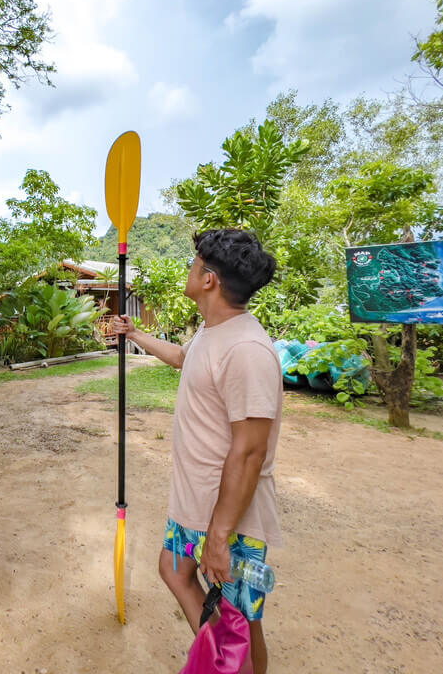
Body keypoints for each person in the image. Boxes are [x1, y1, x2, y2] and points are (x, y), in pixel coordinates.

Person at [112, 228, 282, 674]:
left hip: (228, 515)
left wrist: (221, 537)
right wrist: (135, 335)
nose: (189, 270)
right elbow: (183, 357)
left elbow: (249, 453)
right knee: (174, 570)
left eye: (194, 263)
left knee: (239, 623)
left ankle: (228, 664)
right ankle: (219, 661)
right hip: (195, 505)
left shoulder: (247, 349)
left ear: (209, 279)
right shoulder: (214, 333)